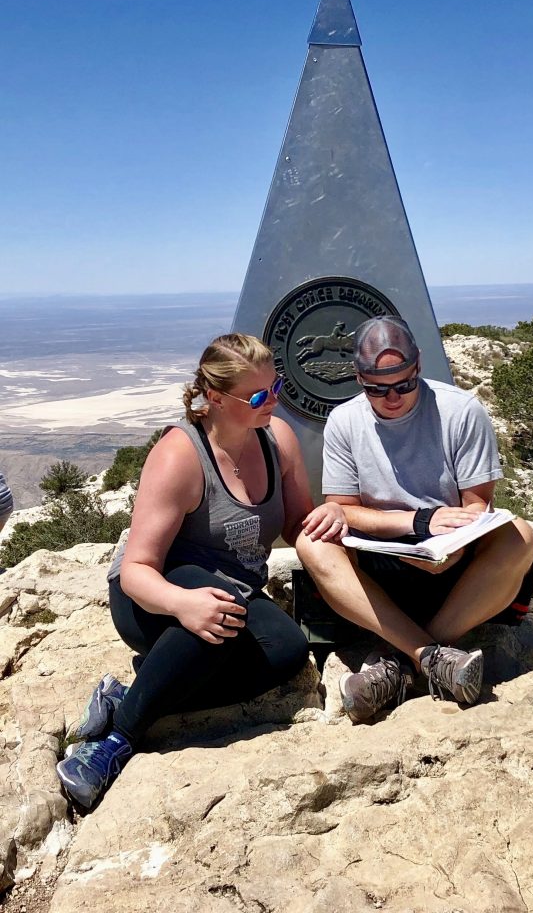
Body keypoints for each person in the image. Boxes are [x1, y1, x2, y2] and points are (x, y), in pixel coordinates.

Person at [56, 333, 344, 809]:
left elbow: (296, 524)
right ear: (214, 397)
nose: (273, 401)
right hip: (153, 595)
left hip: (232, 591)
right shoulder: (180, 456)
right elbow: (137, 570)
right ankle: (114, 745)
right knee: (218, 617)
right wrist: (182, 603)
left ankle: (125, 698)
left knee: (288, 651)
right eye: (258, 396)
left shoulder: (278, 439)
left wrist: (329, 516)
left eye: (278, 388)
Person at [296, 315, 533, 723]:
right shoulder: (345, 420)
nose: (392, 398)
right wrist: (418, 523)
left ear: (419, 366)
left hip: (454, 559)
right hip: (386, 553)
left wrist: (450, 545)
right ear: (357, 377)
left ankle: (400, 665)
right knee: (311, 542)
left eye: (403, 385)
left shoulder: (461, 411)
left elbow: (477, 508)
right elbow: (342, 508)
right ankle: (432, 659)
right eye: (377, 389)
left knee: (522, 536)